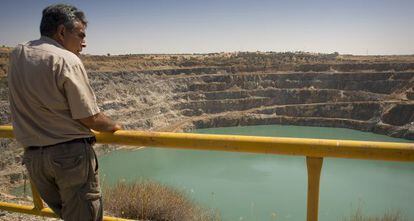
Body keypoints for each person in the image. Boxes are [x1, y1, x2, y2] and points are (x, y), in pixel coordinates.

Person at [8, 4, 122, 221]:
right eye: (80, 35)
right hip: (69, 158)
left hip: (34, 158)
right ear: (62, 32)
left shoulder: (18, 54)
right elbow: (89, 117)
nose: (84, 43)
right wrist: (115, 126)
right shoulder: (66, 59)